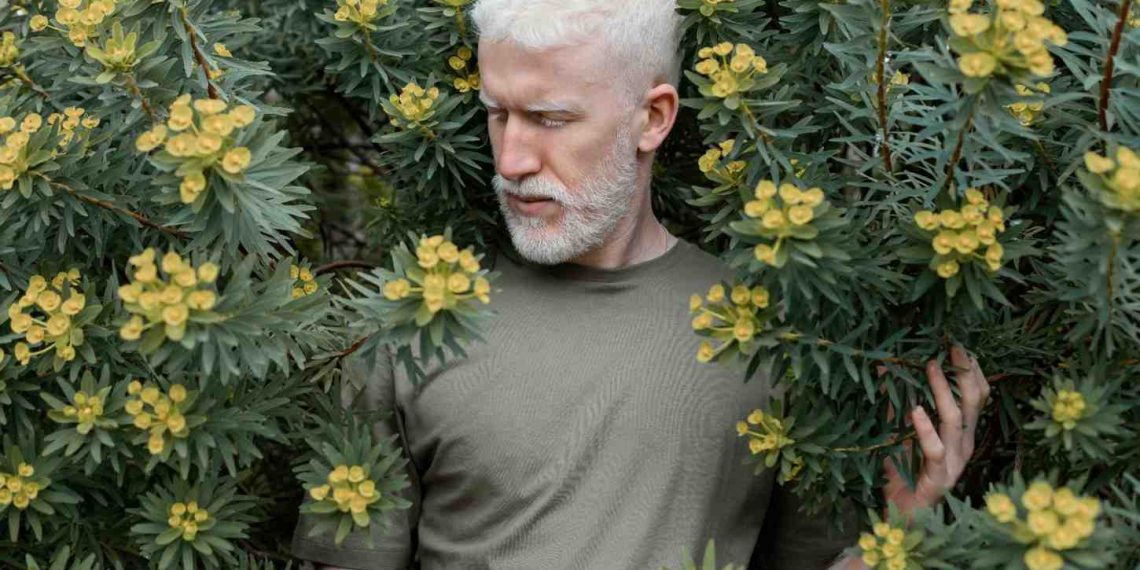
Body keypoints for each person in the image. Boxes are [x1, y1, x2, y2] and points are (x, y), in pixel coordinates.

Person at [290, 1, 992, 568]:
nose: (510, 157)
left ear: (652, 118)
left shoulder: (772, 333)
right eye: (497, 111)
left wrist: (904, 530)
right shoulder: (410, 325)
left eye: (550, 118)